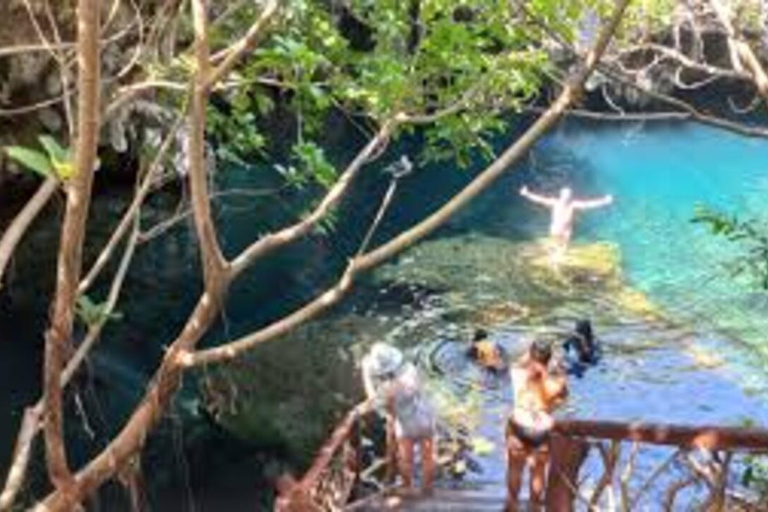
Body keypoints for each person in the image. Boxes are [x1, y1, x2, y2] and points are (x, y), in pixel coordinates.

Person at [362, 343, 436, 495]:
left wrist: (365, 375)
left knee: (406, 459)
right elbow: (421, 388)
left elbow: (373, 401)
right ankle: (427, 488)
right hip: (425, 416)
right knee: (428, 457)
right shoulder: (410, 369)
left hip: (405, 424)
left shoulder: (387, 389)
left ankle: (408, 487)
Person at [506, 339, 568, 511]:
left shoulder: (517, 372)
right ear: (548, 358)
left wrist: (530, 353)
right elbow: (563, 398)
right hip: (542, 429)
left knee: (515, 469)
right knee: (538, 472)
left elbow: (518, 361)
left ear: (531, 355)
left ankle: (512, 505)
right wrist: (549, 408)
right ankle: (534, 507)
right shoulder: (556, 382)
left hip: (519, 425)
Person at [519, 185, 614, 261]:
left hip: (566, 231)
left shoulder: (573, 205)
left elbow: (588, 204)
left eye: (568, 196)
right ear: (561, 195)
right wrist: (527, 193)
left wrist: (604, 201)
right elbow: (539, 200)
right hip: (556, 230)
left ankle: (559, 259)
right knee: (554, 247)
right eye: (565, 195)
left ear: (570, 196)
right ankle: (551, 258)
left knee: (563, 250)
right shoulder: (554, 203)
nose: (566, 198)